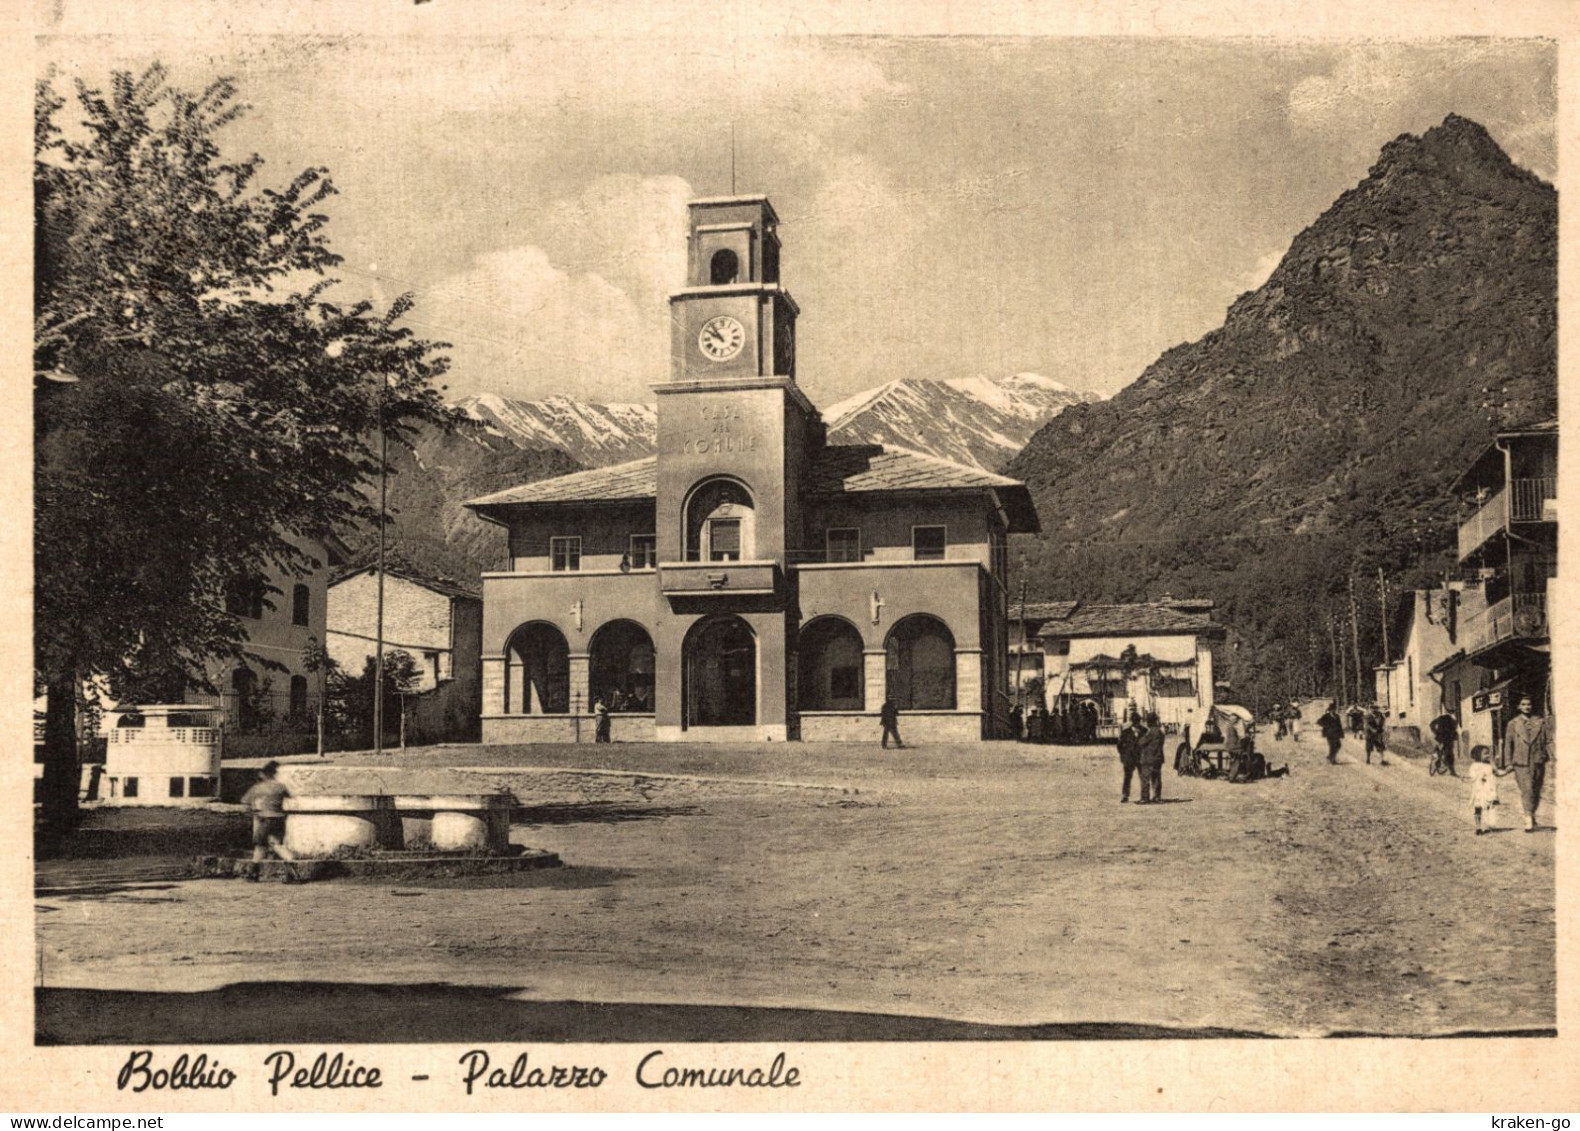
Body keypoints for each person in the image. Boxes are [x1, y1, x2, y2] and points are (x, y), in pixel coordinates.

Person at [239, 761, 298, 880]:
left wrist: (253, 812)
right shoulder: (280, 787)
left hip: (265, 819)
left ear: (264, 774)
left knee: (263, 845)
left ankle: (291, 866)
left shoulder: (258, 788)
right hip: (280, 819)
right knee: (273, 844)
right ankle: (254, 873)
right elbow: (290, 797)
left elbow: (245, 803)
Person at [1502, 696, 1551, 833]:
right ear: (1519, 707)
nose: (1527, 707)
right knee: (1527, 789)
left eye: (1529, 704)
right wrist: (1507, 763)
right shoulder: (1513, 724)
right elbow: (1508, 745)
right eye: (1523, 704)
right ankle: (1528, 818)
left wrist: (1551, 756)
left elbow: (1548, 741)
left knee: (1536, 790)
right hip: (1521, 762)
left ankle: (1532, 813)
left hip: (1537, 760)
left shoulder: (1540, 722)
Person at [1467, 744, 1511, 835]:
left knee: (1488, 807)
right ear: (1478, 755)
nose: (1488, 756)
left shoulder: (1490, 765)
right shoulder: (1474, 766)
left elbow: (1498, 773)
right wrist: (1480, 777)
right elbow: (1472, 776)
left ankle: (1486, 826)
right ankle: (1478, 827)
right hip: (1479, 790)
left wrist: (1507, 771)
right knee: (1478, 808)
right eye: (1485, 754)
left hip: (1489, 790)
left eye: (1488, 754)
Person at [1136, 712, 1166, 803]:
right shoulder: (1160, 731)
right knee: (1156, 778)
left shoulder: (1150, 732)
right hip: (1158, 757)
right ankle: (1157, 796)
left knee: (1145, 778)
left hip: (1148, 758)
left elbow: (1141, 743)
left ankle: (1145, 798)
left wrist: (1138, 736)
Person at [1117, 713, 1144, 803]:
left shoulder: (1144, 731)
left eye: (1138, 721)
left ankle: (1144, 796)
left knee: (1143, 777)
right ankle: (1125, 795)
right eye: (1135, 722)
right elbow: (1119, 745)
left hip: (1141, 757)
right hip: (1129, 758)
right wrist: (1123, 755)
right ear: (1132, 722)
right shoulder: (1126, 732)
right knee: (1127, 777)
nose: (1137, 723)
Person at [1428, 711, 1460, 776]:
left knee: (1449, 754)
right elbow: (1432, 724)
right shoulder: (1443, 718)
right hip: (1442, 738)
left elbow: (1455, 729)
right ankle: (1437, 762)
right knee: (1444, 752)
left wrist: (1435, 732)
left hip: (1448, 739)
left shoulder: (1453, 719)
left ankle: (1450, 769)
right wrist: (1436, 732)